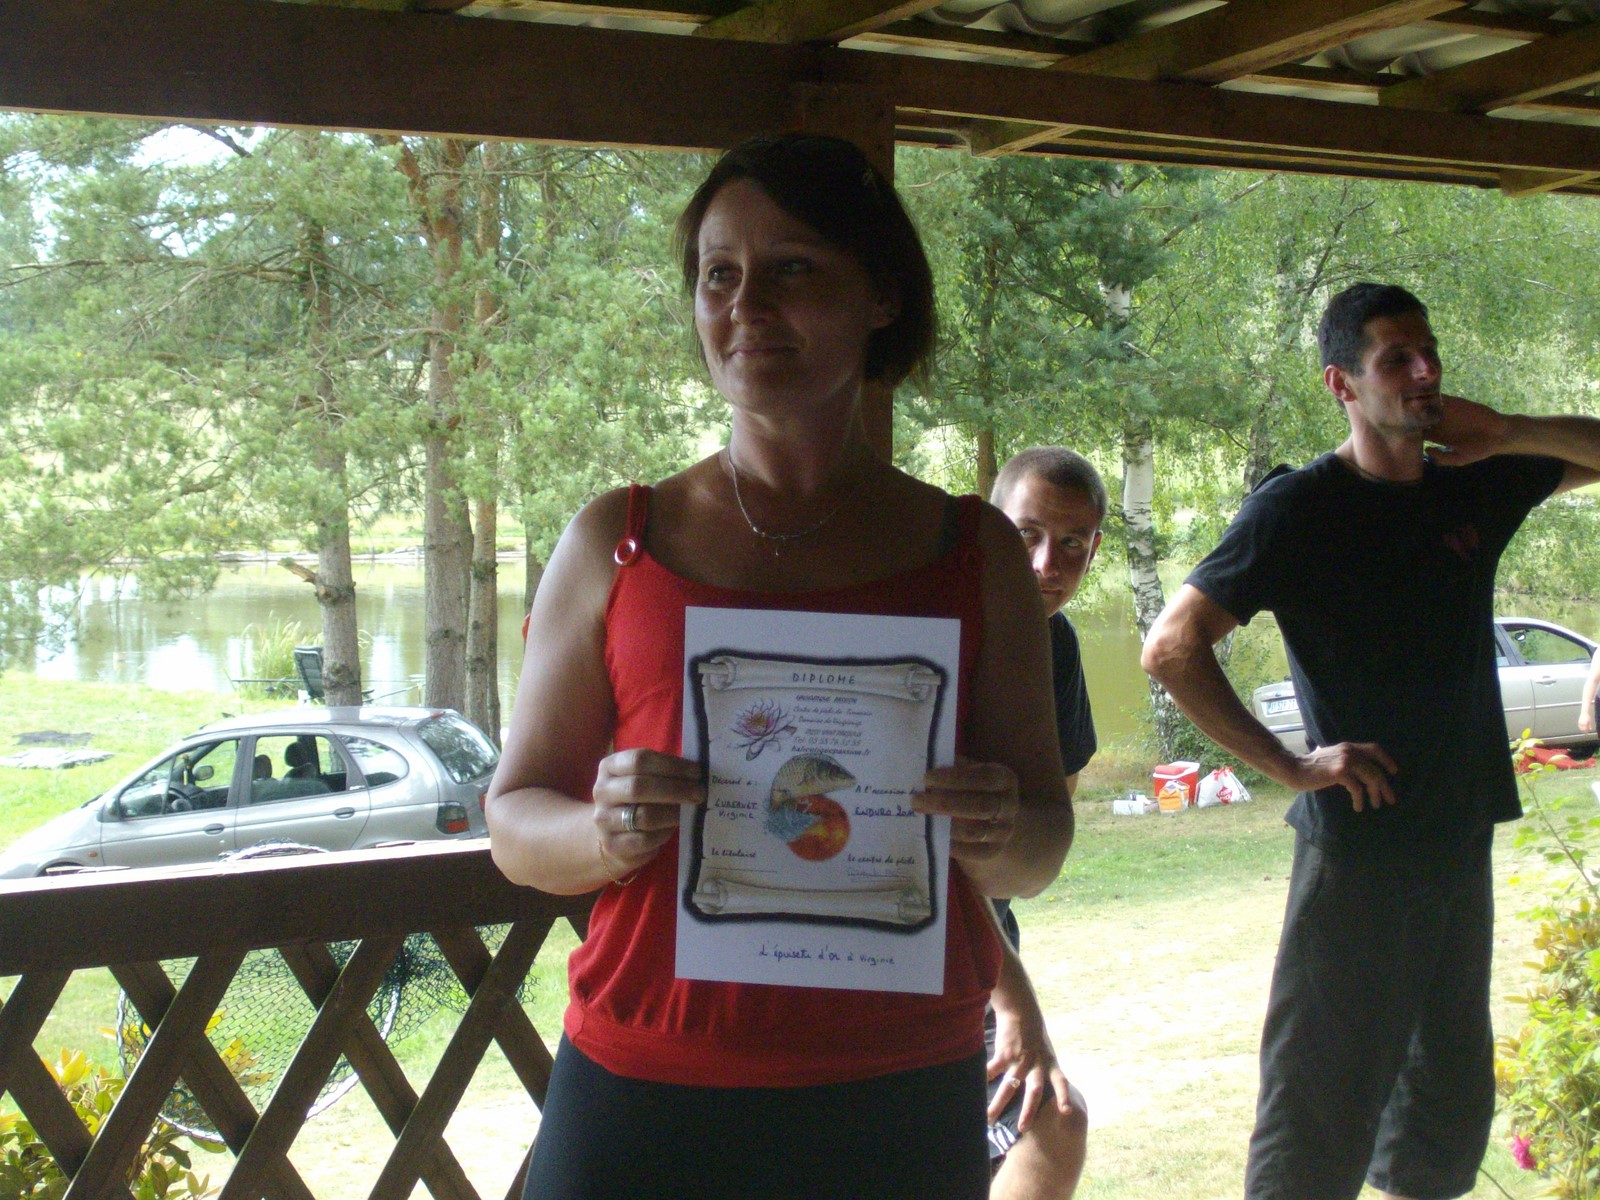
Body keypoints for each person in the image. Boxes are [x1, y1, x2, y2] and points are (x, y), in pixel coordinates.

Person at [486, 133, 1075, 1200]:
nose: (745, 306)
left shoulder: (973, 550)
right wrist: (600, 831)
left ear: (881, 294)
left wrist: (1000, 831)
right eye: (720, 274)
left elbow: (1040, 847)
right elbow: (514, 824)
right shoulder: (618, 540)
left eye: (792, 268)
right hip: (642, 1087)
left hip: (894, 1095)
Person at [1141, 281, 1600, 1200]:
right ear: (1341, 384)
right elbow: (1172, 647)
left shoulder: (1474, 481)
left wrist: (1505, 429)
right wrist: (1291, 765)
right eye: (1397, 358)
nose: (1425, 371)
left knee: (1443, 1118)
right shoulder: (1298, 509)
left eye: (1430, 352)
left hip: (1459, 839)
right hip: (1358, 853)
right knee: (1314, 1123)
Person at [985, 447, 1104, 1198]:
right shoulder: (940, 628)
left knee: (1054, 1124)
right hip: (918, 949)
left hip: (986, 937)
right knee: (1053, 1122)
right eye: (1025, 535)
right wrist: (1013, 998)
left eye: (1071, 544)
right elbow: (912, 847)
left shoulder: (1055, 645)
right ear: (987, 526)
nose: (1045, 564)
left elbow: (1041, 843)